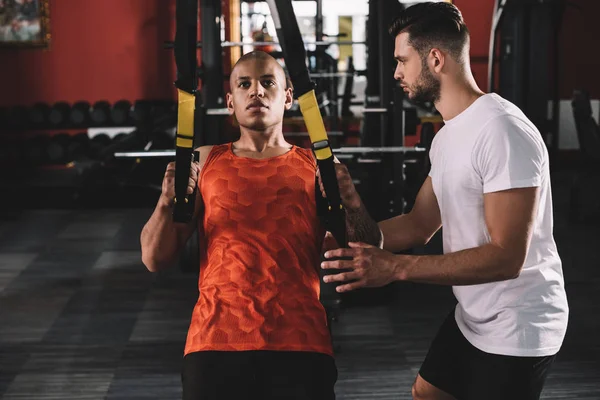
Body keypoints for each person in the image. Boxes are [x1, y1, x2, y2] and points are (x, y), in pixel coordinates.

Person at [321, 3, 569, 400]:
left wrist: (397, 268)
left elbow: (507, 257)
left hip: (518, 325)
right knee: (426, 394)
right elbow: (419, 223)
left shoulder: (501, 130)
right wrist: (345, 241)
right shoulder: (448, 136)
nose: (396, 72)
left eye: (403, 61)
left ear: (435, 59)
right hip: (473, 315)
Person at [140, 50, 380, 400]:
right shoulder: (205, 161)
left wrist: (353, 203)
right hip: (215, 341)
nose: (256, 92)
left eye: (268, 83)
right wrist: (166, 203)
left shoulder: (318, 165)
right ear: (230, 101)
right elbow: (153, 258)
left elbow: (366, 250)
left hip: (300, 340)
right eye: (245, 84)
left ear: (287, 98)